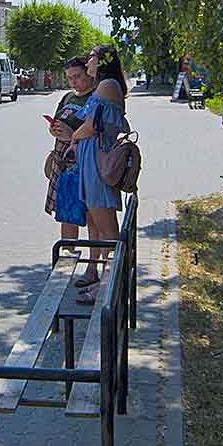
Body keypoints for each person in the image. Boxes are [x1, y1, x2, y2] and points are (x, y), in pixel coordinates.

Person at [65, 45, 129, 304]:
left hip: (98, 164)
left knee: (107, 229)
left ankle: (109, 287)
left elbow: (91, 126)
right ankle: (104, 281)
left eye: (92, 56)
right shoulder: (106, 85)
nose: (88, 60)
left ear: (102, 61)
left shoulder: (106, 86)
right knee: (97, 223)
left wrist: (74, 137)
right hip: (93, 162)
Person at [45, 56, 96, 255]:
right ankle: (67, 256)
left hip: (85, 161)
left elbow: (96, 129)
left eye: (78, 76)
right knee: (66, 212)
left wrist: (71, 135)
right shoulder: (68, 97)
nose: (74, 81)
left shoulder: (95, 97)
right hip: (64, 162)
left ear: (89, 75)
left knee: (92, 214)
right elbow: (57, 123)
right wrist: (54, 130)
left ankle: (95, 260)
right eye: (70, 78)